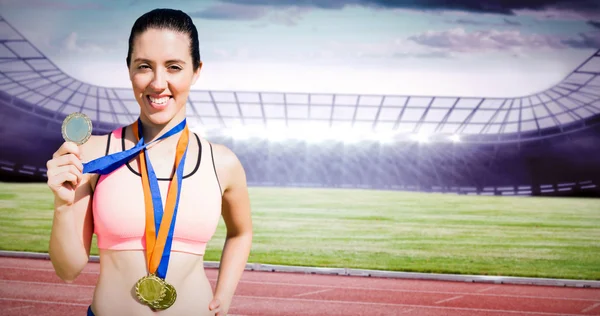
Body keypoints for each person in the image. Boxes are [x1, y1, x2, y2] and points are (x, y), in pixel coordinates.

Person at [45, 8, 252, 316]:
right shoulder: (93, 155)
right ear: (129, 68)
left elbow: (241, 232)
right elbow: (68, 270)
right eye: (144, 66)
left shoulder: (221, 162)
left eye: (174, 67)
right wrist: (62, 206)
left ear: (196, 70)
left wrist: (225, 292)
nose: (158, 82)